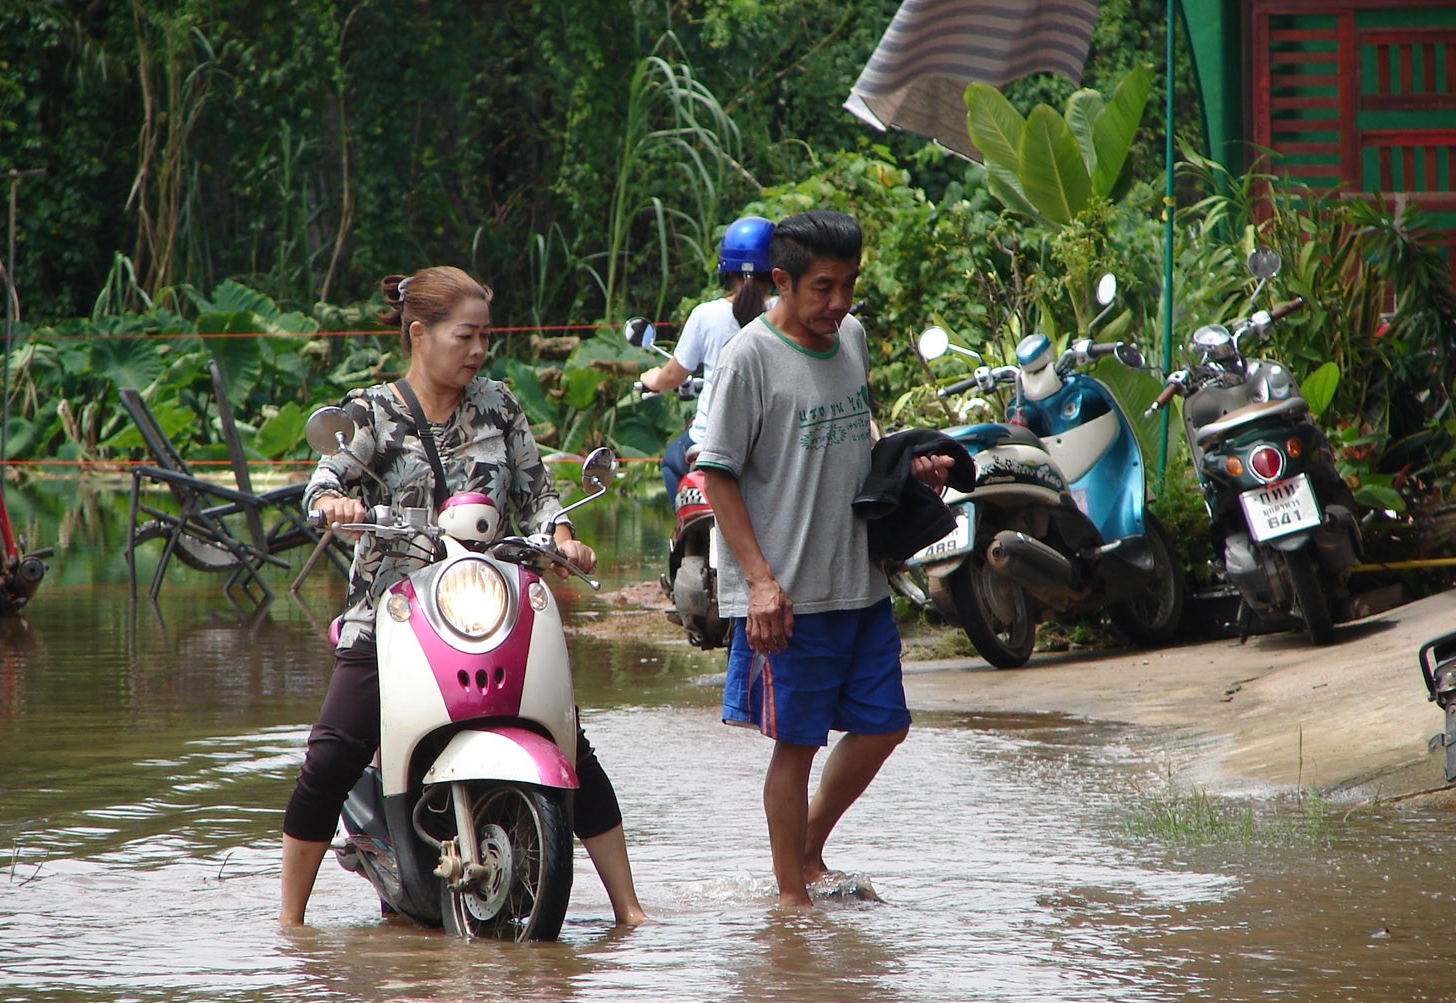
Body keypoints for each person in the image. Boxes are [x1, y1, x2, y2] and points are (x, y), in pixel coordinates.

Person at [279, 265, 647, 928]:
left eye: (485, 338)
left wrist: (563, 536)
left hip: (492, 596)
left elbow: (537, 492)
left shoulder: (498, 404)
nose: (477, 350)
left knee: (570, 742)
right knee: (332, 752)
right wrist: (333, 501)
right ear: (419, 333)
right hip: (392, 609)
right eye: (465, 336)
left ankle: (629, 908)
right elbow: (322, 481)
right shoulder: (372, 411)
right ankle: (291, 923)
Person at [694, 211, 955, 908]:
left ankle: (807, 851)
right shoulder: (748, 357)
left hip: (858, 578)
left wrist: (905, 469)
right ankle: (790, 901)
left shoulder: (852, 337)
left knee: (884, 724)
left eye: (848, 286)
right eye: (822, 287)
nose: (838, 303)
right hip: (788, 593)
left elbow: (857, 431)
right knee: (797, 746)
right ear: (780, 281)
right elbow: (714, 472)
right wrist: (758, 584)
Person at [640, 216, 775, 502]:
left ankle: (680, 537)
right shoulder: (784, 313)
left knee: (672, 461)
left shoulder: (706, 314)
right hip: (768, 441)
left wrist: (651, 379)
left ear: (725, 268)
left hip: (709, 440)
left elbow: (671, 376)